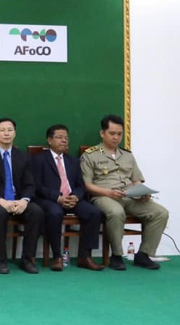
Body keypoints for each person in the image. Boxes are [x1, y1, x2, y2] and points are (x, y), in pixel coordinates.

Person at [80, 114, 169, 270]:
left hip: (129, 196)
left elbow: (136, 180)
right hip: (103, 196)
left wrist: (142, 192)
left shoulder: (127, 155)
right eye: (112, 133)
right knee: (116, 212)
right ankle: (117, 256)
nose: (116, 137)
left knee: (160, 213)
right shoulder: (90, 155)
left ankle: (144, 255)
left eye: (119, 134)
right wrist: (108, 192)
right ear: (102, 133)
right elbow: (86, 185)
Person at [0, 118, 44, 275]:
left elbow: (30, 184)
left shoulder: (23, 157)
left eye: (10, 130)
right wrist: (2, 201)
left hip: (18, 200)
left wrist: (24, 200)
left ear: (15, 133)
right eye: (2, 130)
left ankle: (27, 259)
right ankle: (0, 260)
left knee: (36, 211)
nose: (6, 133)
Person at [31, 124, 104, 271]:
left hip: (71, 199)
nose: (64, 140)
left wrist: (75, 196)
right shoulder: (38, 160)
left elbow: (80, 185)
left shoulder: (73, 161)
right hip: (50, 199)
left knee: (94, 213)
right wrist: (57, 198)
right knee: (54, 213)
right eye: (59, 137)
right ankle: (57, 256)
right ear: (49, 140)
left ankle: (85, 256)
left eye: (66, 138)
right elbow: (36, 186)